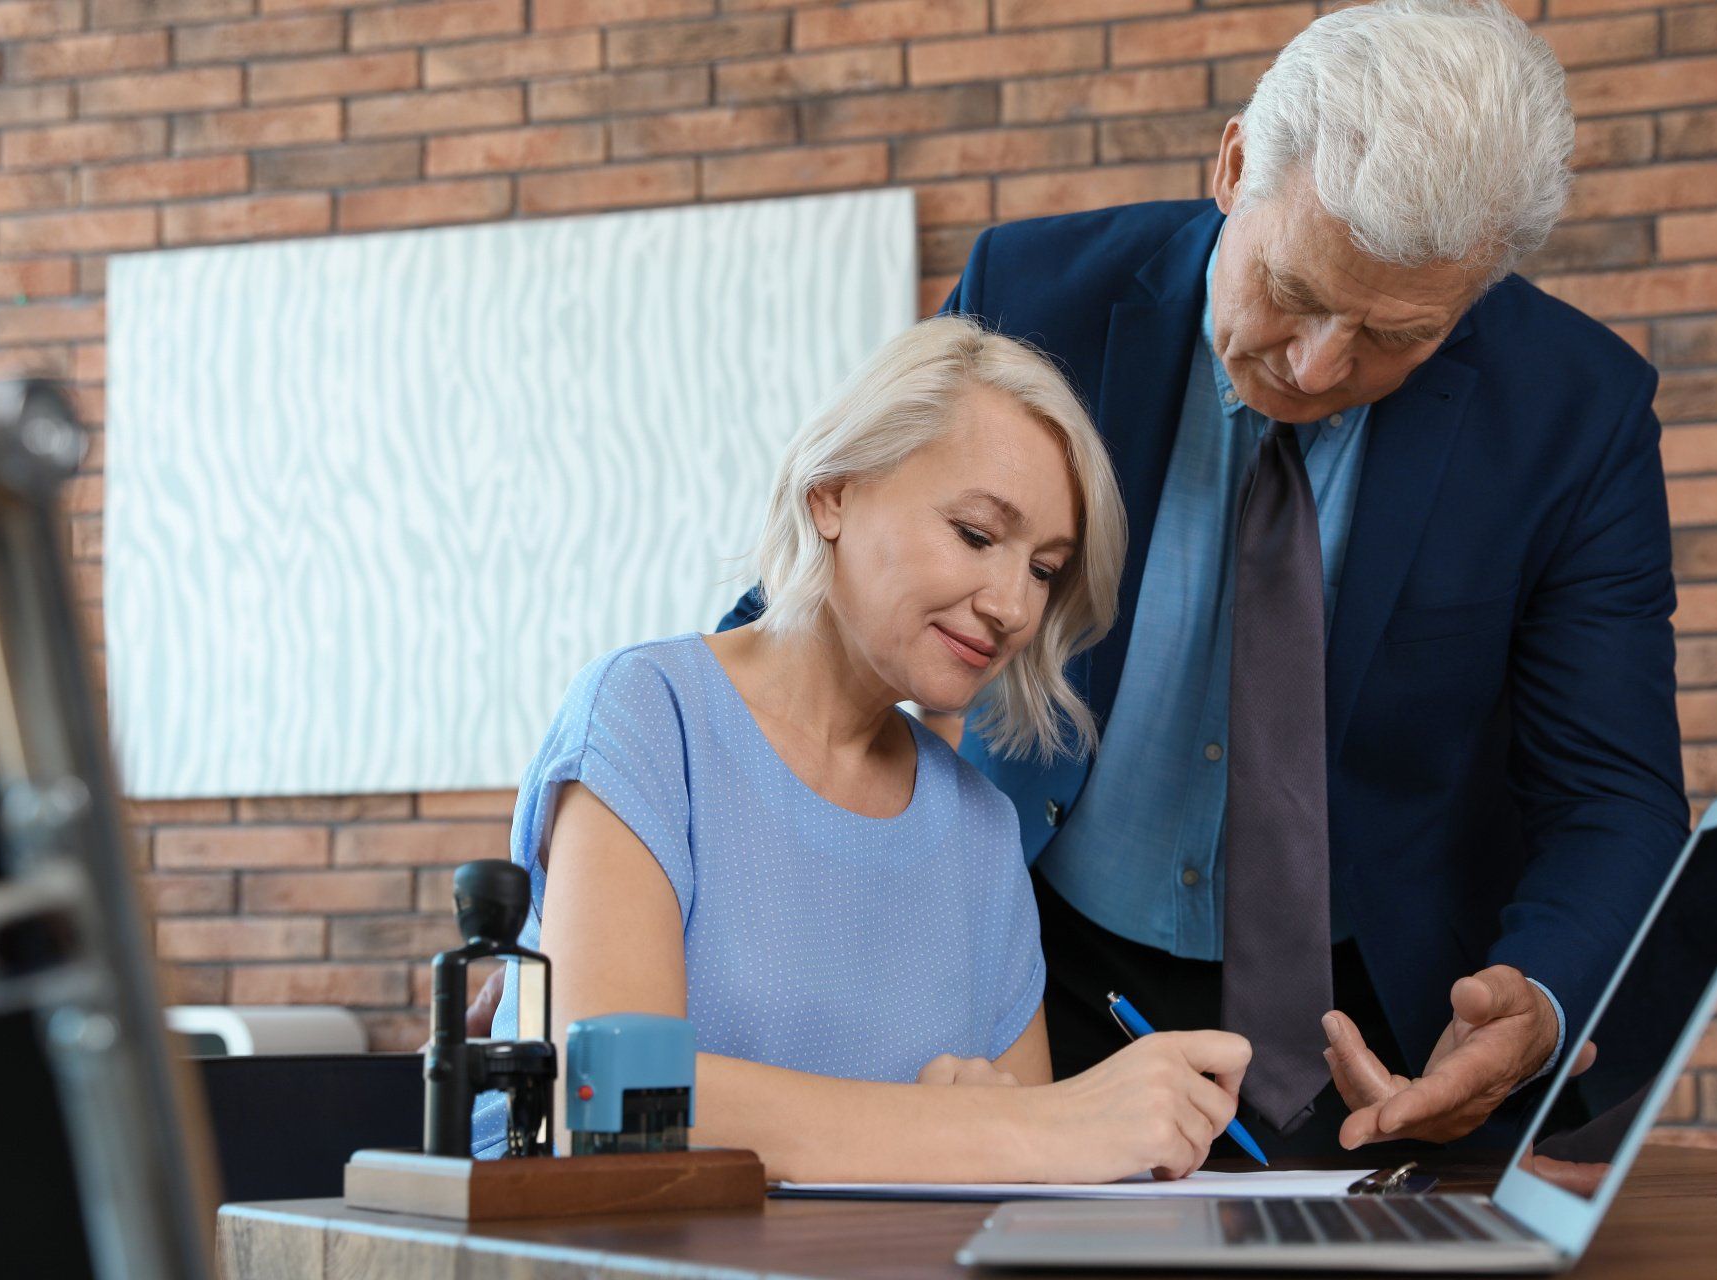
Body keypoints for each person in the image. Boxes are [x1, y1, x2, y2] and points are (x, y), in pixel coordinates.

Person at [719, 0, 1687, 1159]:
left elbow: (1612, 796)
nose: (1320, 363)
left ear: (1474, 290)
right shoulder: (1038, 295)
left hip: (1389, 1045)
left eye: (1397, 333)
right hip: (1039, 989)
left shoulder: (1575, 412)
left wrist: (1540, 998)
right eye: (1295, 289)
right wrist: (625, 863)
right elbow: (828, 602)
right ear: (1232, 164)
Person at [472, 314, 1257, 1182]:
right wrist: (1001, 1132)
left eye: (1044, 569)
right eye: (976, 533)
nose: (1013, 606)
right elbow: (609, 1100)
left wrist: (1000, 1135)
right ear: (833, 492)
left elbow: (1020, 1182)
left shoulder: (982, 831)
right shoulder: (648, 716)